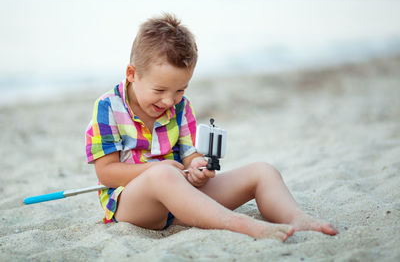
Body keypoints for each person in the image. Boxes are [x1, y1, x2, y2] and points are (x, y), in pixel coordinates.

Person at [85, 13, 337, 242]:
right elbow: (107, 172)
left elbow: (189, 154)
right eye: (159, 90)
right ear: (132, 73)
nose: (169, 100)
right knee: (163, 175)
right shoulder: (108, 107)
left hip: (183, 202)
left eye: (180, 90)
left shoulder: (180, 106)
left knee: (263, 171)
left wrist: (197, 166)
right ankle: (240, 224)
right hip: (134, 205)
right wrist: (157, 168)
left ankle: (295, 217)